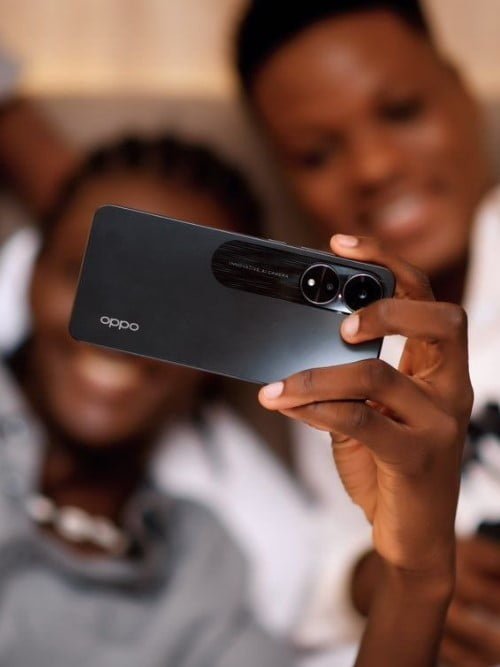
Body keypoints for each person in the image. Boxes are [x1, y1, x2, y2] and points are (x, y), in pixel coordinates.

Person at [0, 130, 473, 666]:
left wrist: (416, 574)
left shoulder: (202, 571)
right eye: (94, 278)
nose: (118, 336)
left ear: (223, 352)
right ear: (31, 275)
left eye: (174, 306)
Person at [235, 1, 500, 664]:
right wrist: (377, 578)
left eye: (403, 112)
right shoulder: (322, 341)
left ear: (463, 94)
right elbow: (324, 553)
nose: (375, 167)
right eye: (316, 154)